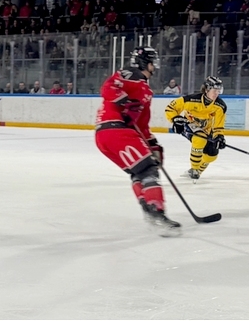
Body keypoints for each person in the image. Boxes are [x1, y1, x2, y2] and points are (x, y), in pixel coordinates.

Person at [94, 47, 180, 236]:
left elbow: (142, 125)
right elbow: (107, 87)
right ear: (145, 63)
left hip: (110, 135)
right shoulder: (129, 73)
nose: (154, 66)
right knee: (147, 169)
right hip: (115, 130)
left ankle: (149, 209)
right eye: (153, 62)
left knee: (139, 170)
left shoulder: (146, 90)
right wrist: (124, 101)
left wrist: (153, 145)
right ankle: (157, 213)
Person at [165, 76, 227, 183]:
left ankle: (196, 171)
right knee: (200, 139)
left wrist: (219, 137)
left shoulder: (220, 106)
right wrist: (175, 119)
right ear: (207, 89)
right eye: (214, 90)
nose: (217, 93)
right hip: (189, 125)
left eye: (219, 91)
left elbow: (218, 125)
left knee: (212, 155)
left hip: (207, 129)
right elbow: (170, 108)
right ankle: (194, 168)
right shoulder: (190, 99)